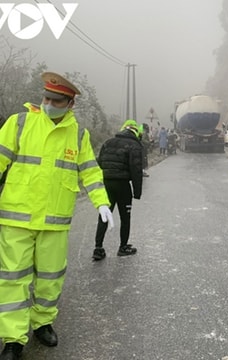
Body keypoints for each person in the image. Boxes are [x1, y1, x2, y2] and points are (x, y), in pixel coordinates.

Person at [0, 72, 114, 360]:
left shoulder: (78, 135)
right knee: (13, 278)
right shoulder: (20, 123)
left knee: (50, 278)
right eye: (46, 98)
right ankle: (13, 339)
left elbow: (89, 170)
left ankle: (42, 323)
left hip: (55, 220)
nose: (48, 104)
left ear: (70, 103)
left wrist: (101, 201)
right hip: (17, 216)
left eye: (56, 100)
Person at [92, 119, 144, 261]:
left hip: (107, 183)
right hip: (123, 185)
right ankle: (123, 247)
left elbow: (100, 162)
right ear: (136, 132)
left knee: (104, 216)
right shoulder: (134, 145)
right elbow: (136, 170)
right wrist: (137, 192)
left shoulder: (108, 142)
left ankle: (98, 248)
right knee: (125, 217)